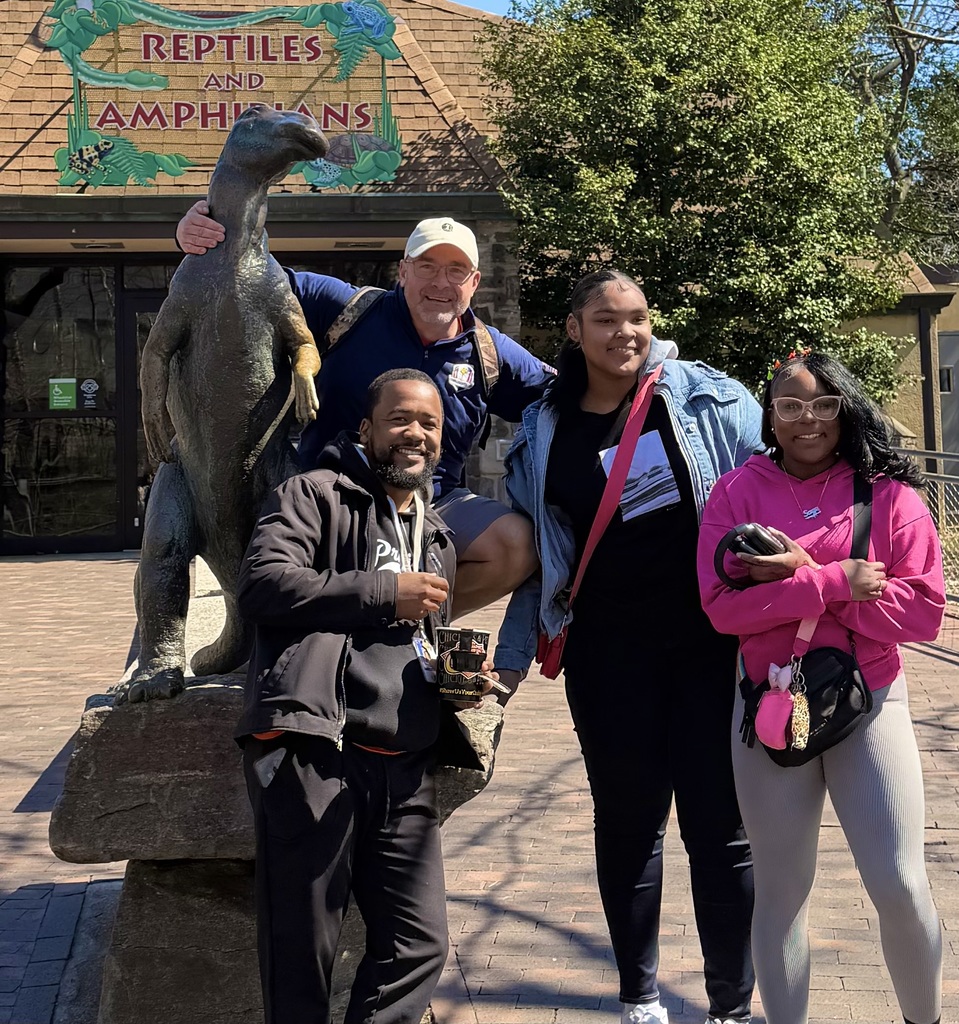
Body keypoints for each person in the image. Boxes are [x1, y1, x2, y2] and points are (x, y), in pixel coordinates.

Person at [491, 269, 762, 1024]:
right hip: (608, 652)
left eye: (637, 317)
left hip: (711, 645)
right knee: (629, 823)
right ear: (573, 329)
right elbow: (545, 556)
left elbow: (769, 490)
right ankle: (639, 996)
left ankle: (729, 1005)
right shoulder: (544, 427)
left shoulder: (710, 396)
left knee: (719, 828)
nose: (625, 334)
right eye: (605, 320)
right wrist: (512, 658)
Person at [235, 368, 499, 1024]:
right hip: (315, 752)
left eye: (429, 423)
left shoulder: (436, 537)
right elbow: (264, 584)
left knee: (418, 946)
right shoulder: (313, 496)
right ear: (366, 429)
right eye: (400, 419)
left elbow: (414, 644)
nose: (415, 434)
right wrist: (385, 593)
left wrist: (454, 685)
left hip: (403, 769)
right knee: (301, 952)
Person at [696, 351, 945, 1024]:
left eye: (823, 405)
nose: (808, 420)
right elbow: (721, 610)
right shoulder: (734, 494)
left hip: (868, 700)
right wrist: (832, 581)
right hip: (771, 706)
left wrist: (788, 587)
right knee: (780, 892)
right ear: (768, 415)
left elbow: (920, 612)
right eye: (790, 406)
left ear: (844, 409)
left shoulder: (888, 495)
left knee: (897, 881)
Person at [178, 203, 553, 619]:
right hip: (334, 500)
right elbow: (251, 279)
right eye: (427, 266)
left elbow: (568, 394)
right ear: (404, 271)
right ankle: (356, 617)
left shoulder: (490, 352)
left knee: (516, 543)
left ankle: (410, 626)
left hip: (434, 505)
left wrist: (636, 362)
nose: (440, 282)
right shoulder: (348, 309)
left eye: (456, 271)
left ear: (474, 283)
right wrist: (204, 235)